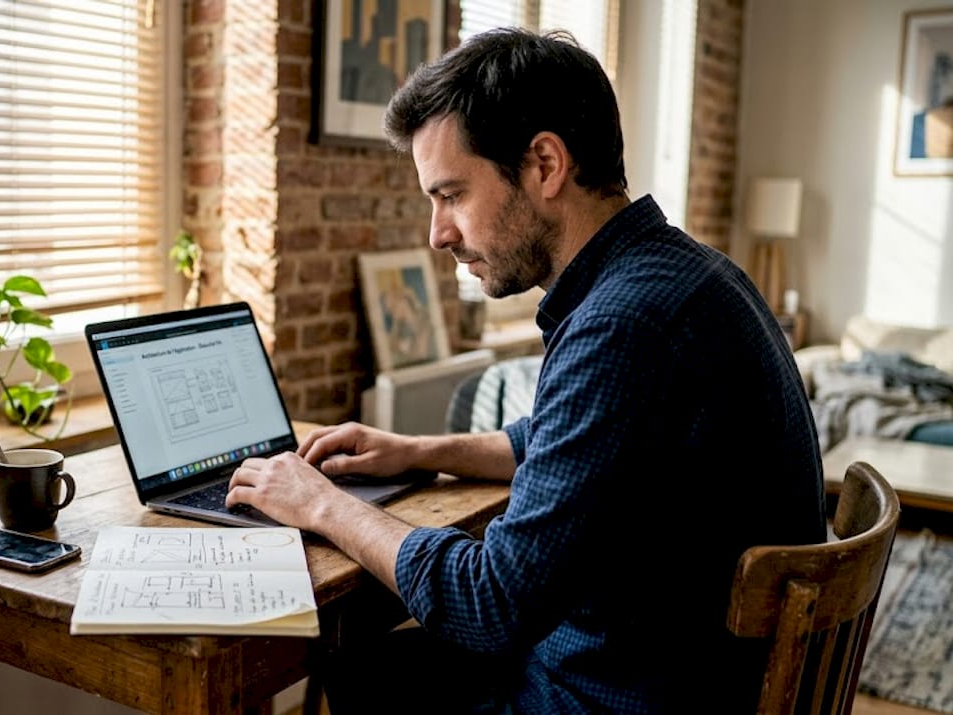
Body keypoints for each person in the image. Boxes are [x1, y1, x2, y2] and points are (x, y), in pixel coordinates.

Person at [226, 28, 825, 714]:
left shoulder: (621, 324)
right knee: (370, 660)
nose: (437, 233)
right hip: (681, 669)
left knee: (360, 664)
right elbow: (564, 437)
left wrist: (320, 504)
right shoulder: (684, 272)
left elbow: (490, 602)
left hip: (618, 694)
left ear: (545, 164)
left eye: (450, 194)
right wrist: (419, 450)